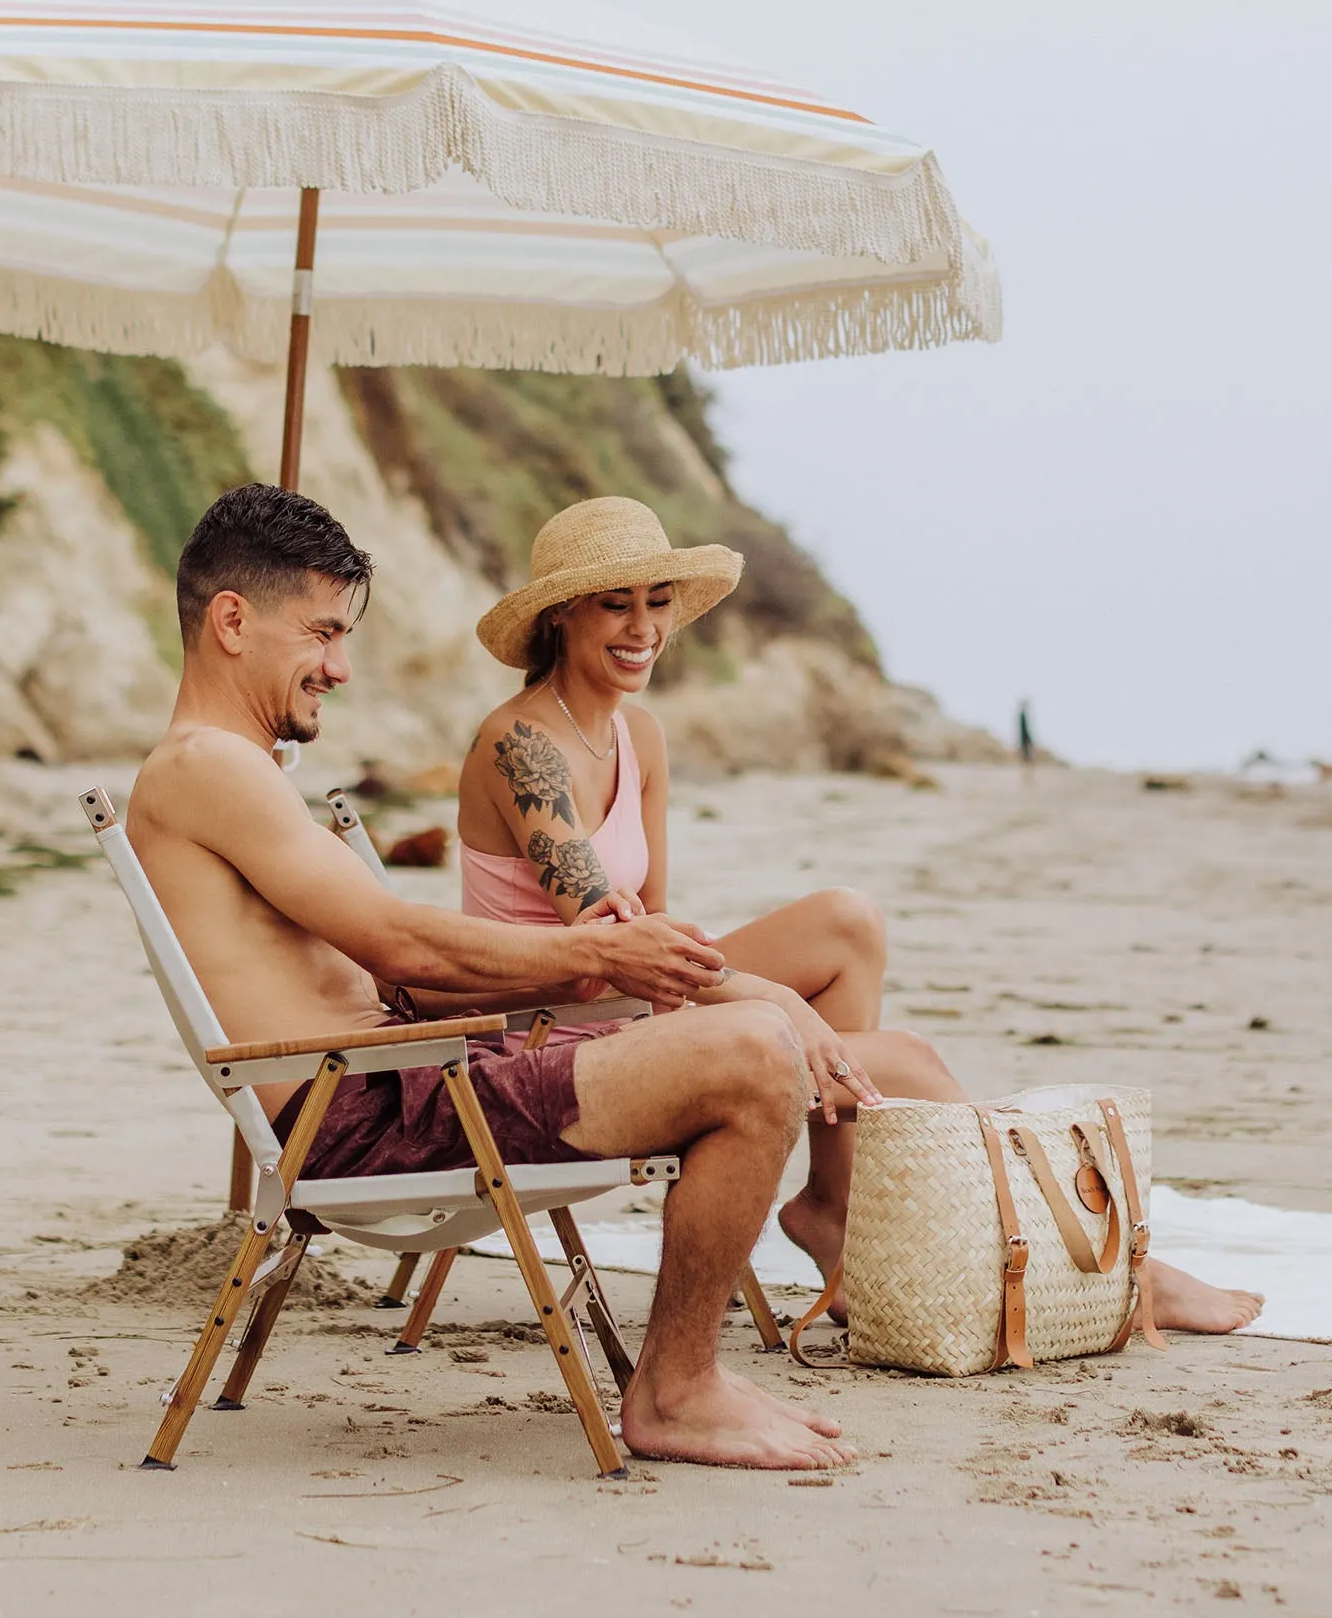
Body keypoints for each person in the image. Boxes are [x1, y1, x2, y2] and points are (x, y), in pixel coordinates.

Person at [125, 483, 854, 1470]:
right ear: (232, 620)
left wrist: (604, 977)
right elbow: (403, 946)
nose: (339, 667)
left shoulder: (241, 769)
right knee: (755, 1057)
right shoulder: (205, 766)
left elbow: (408, 978)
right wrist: (597, 954)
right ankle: (678, 1389)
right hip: (376, 1115)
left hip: (416, 1075)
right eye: (325, 633)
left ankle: (713, 1353)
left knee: (760, 1037)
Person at [455, 496, 1262, 1334]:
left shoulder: (639, 735)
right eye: (614, 603)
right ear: (560, 615)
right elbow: (621, 948)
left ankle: (829, 1207)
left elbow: (657, 928)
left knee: (848, 921)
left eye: (657, 601)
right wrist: (780, 1007)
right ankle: (1116, 1262)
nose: (644, 627)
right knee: (906, 1060)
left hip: (627, 1003)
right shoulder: (520, 745)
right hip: (550, 1039)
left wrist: (764, 1003)